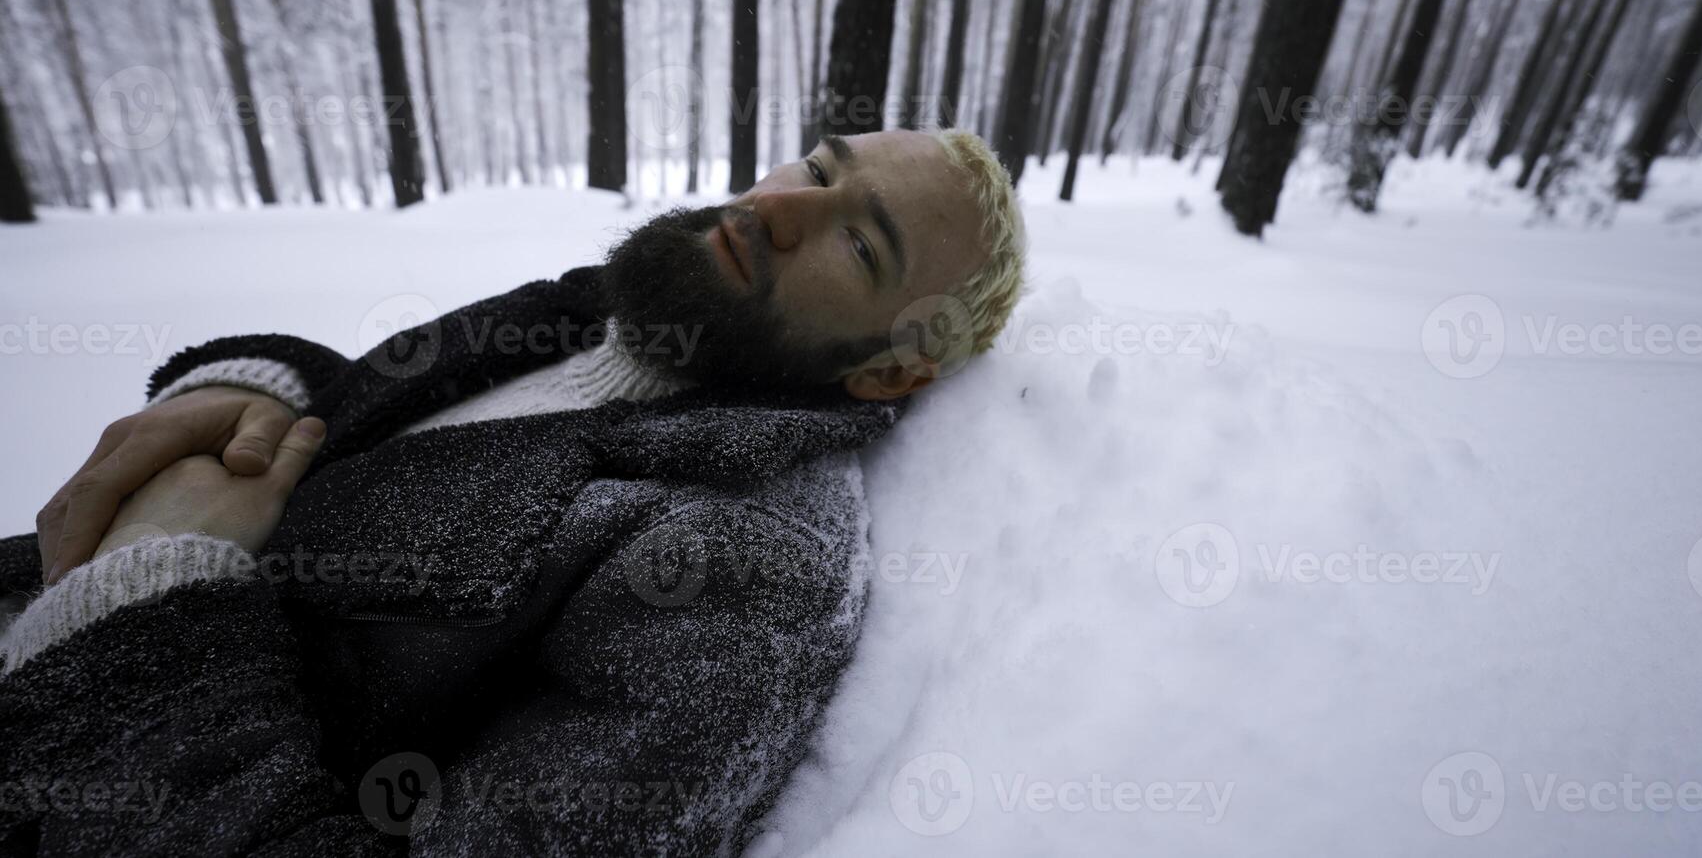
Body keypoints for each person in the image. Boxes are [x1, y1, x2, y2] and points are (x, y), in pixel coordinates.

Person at [0, 128, 1025, 856]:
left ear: (892, 369)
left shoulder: (737, 570)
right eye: (815, 165)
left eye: (858, 240)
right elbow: (384, 410)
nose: (773, 208)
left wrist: (152, 606)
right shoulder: (616, 308)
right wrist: (252, 386)